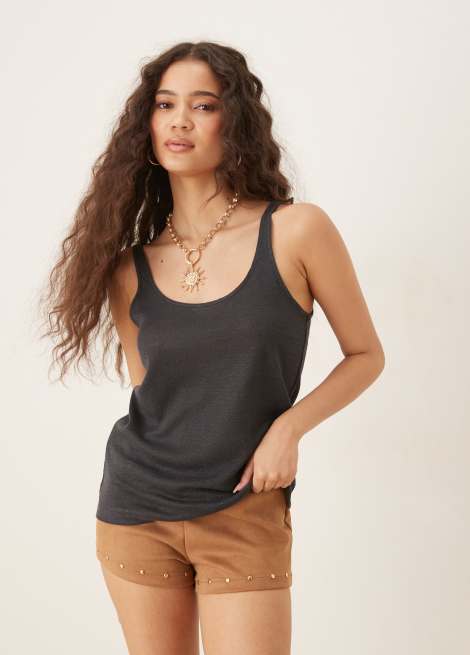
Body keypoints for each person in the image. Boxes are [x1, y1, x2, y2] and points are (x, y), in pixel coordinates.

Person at [40, 41, 385, 655]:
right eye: (165, 105)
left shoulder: (296, 231)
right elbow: (150, 388)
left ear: (236, 122)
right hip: (137, 507)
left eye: (203, 105)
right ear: (146, 124)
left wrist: (287, 430)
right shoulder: (129, 269)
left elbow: (366, 355)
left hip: (244, 509)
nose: (180, 121)